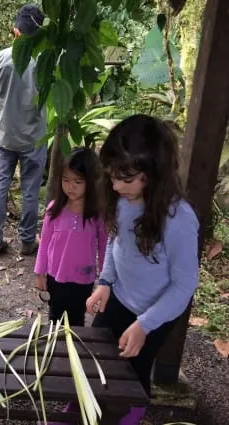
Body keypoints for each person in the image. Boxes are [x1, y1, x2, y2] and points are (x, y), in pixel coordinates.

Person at [86, 114, 199, 425]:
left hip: (153, 315)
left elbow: (184, 286)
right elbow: (115, 242)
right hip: (118, 298)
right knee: (92, 360)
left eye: (126, 178)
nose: (116, 185)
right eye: (112, 176)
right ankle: (81, 412)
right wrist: (105, 281)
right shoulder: (122, 199)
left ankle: (126, 419)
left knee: (132, 378)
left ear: (153, 172)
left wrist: (145, 325)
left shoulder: (178, 219)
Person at [0, 4, 48, 258]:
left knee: (0, 185)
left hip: (5, 137)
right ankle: (26, 241)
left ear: (15, 31)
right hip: (34, 138)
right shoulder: (46, 61)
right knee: (30, 190)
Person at [34, 147, 106, 326]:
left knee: (76, 320)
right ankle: (54, 351)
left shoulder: (96, 214)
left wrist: (105, 280)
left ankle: (71, 353)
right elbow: (44, 244)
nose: (70, 187)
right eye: (66, 180)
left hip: (83, 279)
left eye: (77, 182)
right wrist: (40, 273)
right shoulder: (54, 209)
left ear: (91, 182)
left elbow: (104, 247)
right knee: (55, 317)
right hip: (55, 276)